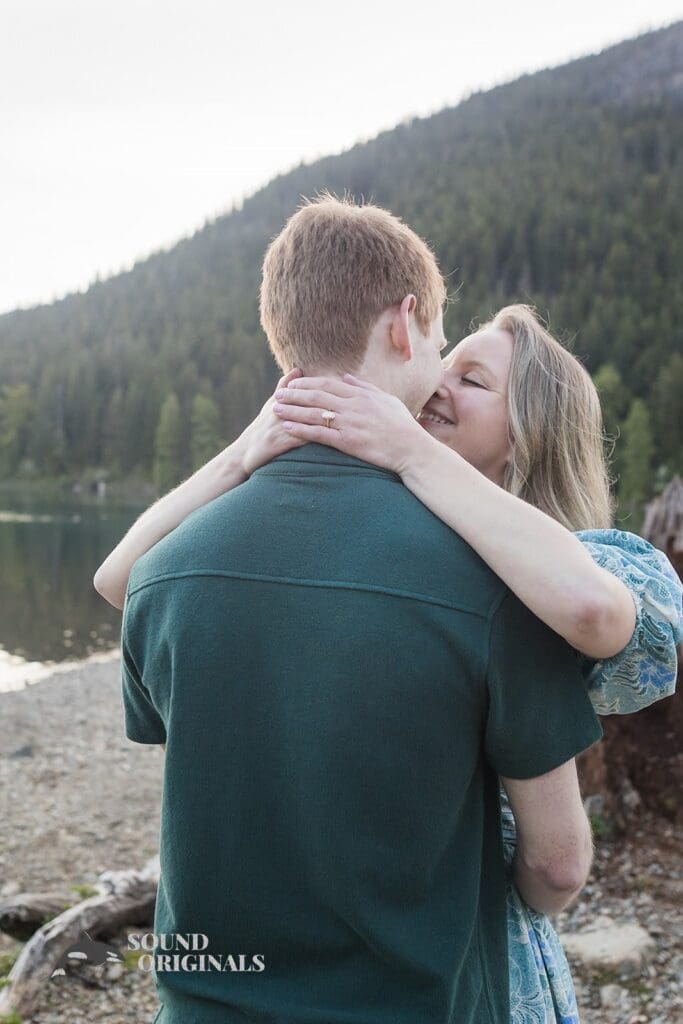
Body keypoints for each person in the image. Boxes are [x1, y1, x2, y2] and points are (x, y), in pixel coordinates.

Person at [95, 195, 606, 1024]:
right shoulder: (501, 583)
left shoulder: (164, 571)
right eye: (441, 341)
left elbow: (129, 603)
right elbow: (556, 867)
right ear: (404, 323)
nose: (439, 370)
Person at [267, 301, 683, 1022]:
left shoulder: (581, 567)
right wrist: (256, 443)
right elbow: (120, 583)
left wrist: (408, 450)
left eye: (472, 380)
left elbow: (597, 612)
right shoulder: (377, 542)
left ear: (527, 436)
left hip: (477, 940)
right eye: (443, 363)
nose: (436, 385)